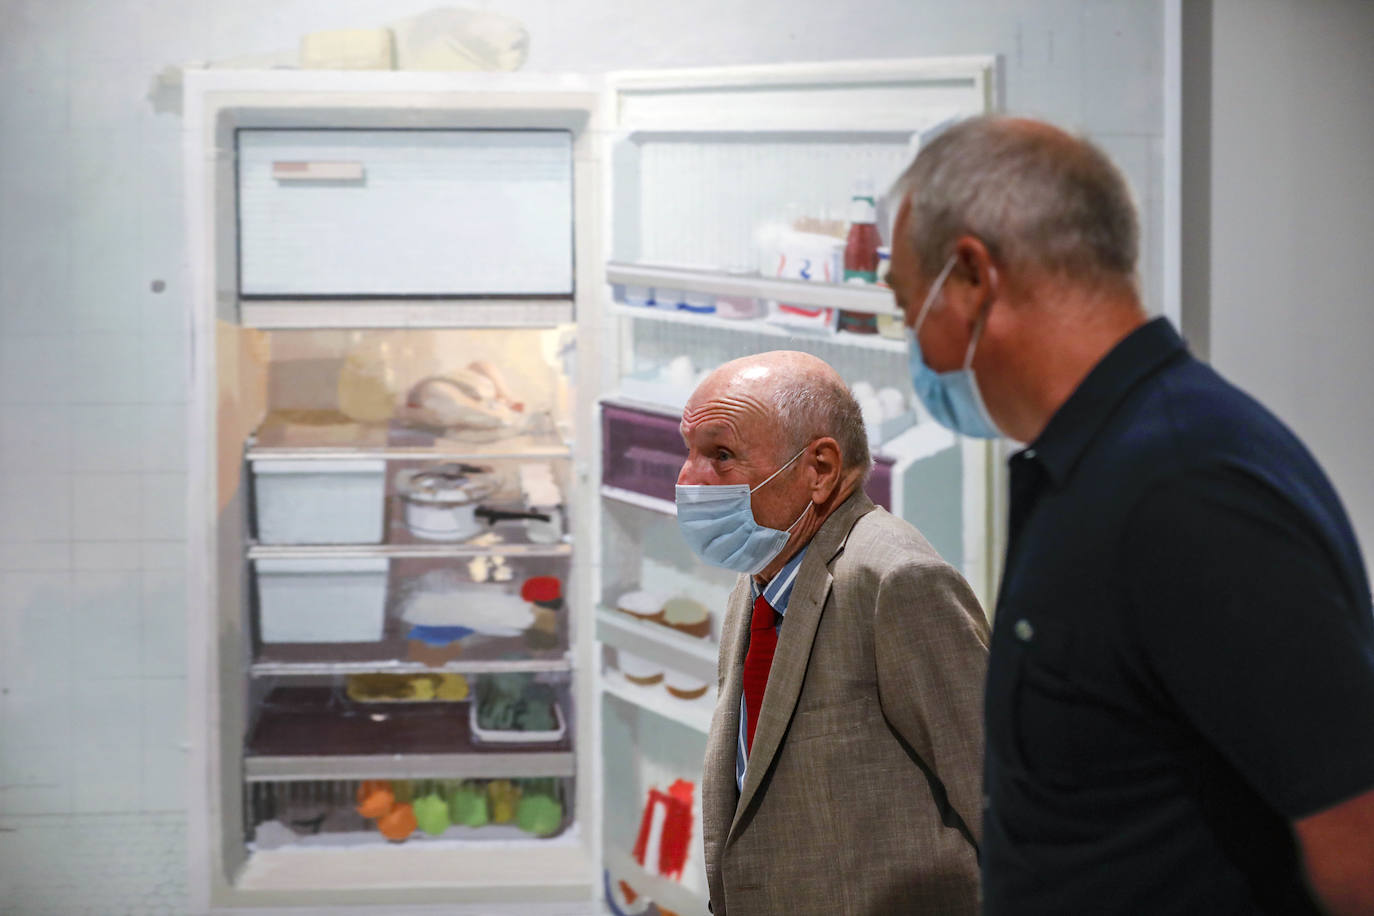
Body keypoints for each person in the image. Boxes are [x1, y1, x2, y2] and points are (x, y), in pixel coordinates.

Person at [886, 115, 1374, 915]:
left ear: (973, 277)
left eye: (910, 307)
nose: (917, 346)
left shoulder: (1185, 490)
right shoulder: (1095, 466)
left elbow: (1357, 849)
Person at [675, 350, 990, 915]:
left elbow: (1000, 803)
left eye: (720, 455)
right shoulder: (759, 582)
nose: (688, 480)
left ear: (818, 469)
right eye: (689, 451)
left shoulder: (897, 581)